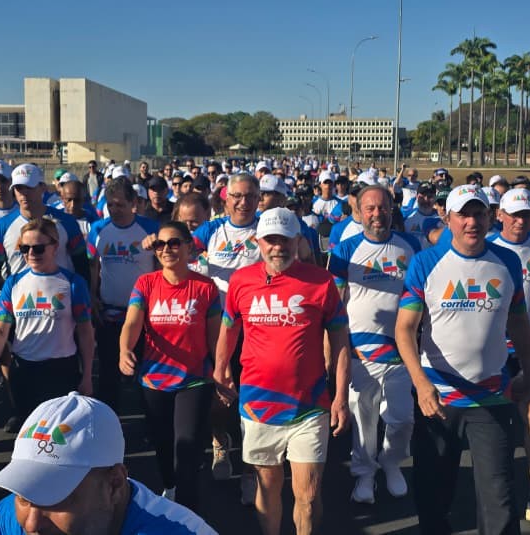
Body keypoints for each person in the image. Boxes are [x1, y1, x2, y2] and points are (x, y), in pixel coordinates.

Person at [394, 184, 530, 535]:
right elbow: (405, 329)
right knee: (434, 492)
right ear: (449, 218)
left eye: (479, 214)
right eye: (464, 215)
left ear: (490, 217)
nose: (472, 222)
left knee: (499, 495)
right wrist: (421, 384)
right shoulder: (426, 262)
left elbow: (519, 320)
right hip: (438, 397)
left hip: (492, 396)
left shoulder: (508, 262)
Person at [214, 207, 351, 535]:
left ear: (299, 242)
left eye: (285, 240)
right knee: (267, 488)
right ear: (258, 241)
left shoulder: (321, 282)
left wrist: (341, 397)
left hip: (310, 404)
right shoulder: (241, 281)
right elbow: (229, 328)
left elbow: (341, 342)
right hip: (257, 404)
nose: (278, 247)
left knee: (308, 494)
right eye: (271, 240)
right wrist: (221, 370)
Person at [0, 393, 216, 534]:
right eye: (24, 495)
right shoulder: (17, 515)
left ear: (114, 485)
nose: (31, 525)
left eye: (53, 497)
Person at [327, 186, 421, 504]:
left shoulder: (411, 245)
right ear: (359, 210)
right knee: (363, 419)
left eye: (382, 208)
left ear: (392, 210)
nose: (376, 214)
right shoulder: (343, 250)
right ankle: (365, 473)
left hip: (401, 349)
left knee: (402, 418)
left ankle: (391, 463)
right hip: (358, 350)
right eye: (370, 208)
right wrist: (335, 348)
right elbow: (335, 306)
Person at [119, 221, 220, 509]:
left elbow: (215, 337)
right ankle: (171, 488)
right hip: (153, 380)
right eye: (161, 244)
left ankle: (188, 515)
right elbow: (132, 322)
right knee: (164, 447)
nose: (167, 249)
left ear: (189, 246)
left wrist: (221, 373)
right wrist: (124, 349)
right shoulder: (146, 284)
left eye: (174, 243)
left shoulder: (205, 287)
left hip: (195, 379)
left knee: (186, 447)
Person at [486, 188, 530, 521]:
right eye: (514, 215)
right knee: (498, 422)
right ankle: (497, 488)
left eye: (526, 215)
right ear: (500, 214)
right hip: (496, 347)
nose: (520, 221)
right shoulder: (488, 246)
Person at [0, 218, 95, 419]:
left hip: (62, 370)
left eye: (39, 248)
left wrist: (87, 376)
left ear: (55, 247)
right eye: (25, 248)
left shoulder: (73, 283)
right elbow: (0, 330)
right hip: (24, 369)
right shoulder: (13, 283)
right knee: (30, 435)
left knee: (60, 437)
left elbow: (85, 332)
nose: (31, 254)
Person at [88, 179, 160, 410]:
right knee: (109, 372)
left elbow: (161, 268)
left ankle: (151, 423)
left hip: (143, 315)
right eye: (110, 205)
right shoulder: (98, 229)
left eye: (120, 205)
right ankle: (108, 422)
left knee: (144, 372)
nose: (114, 210)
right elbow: (94, 266)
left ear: (133, 204)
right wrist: (92, 296)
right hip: (109, 312)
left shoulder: (150, 228)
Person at [0, 164, 89, 281]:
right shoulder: (1, 226)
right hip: (20, 297)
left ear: (43, 187)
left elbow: (82, 267)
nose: (24, 193)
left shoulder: (67, 222)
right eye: (19, 188)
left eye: (29, 187)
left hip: (60, 296)